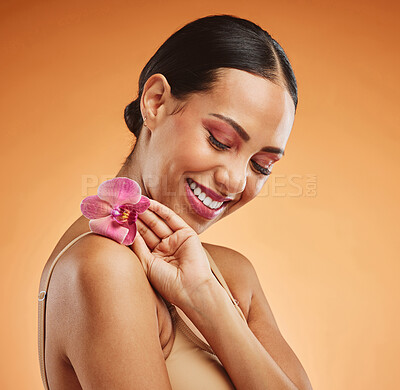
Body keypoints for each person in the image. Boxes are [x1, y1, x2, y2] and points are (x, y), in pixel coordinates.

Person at [38, 14, 313, 390]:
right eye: (219, 140)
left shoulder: (232, 275)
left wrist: (206, 299)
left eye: (261, 165)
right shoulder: (104, 269)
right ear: (155, 102)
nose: (234, 180)